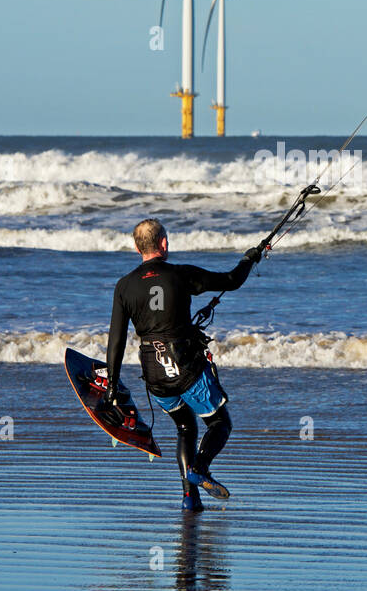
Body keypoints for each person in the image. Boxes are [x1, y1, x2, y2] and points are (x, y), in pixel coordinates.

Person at [105, 218, 262, 512]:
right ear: (163, 243)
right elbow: (231, 281)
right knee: (219, 422)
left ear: (137, 248)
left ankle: (190, 498)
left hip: (154, 376)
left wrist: (113, 386)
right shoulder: (181, 275)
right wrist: (249, 259)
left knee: (185, 427)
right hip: (186, 368)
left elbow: (116, 341)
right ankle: (200, 468)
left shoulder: (124, 286)